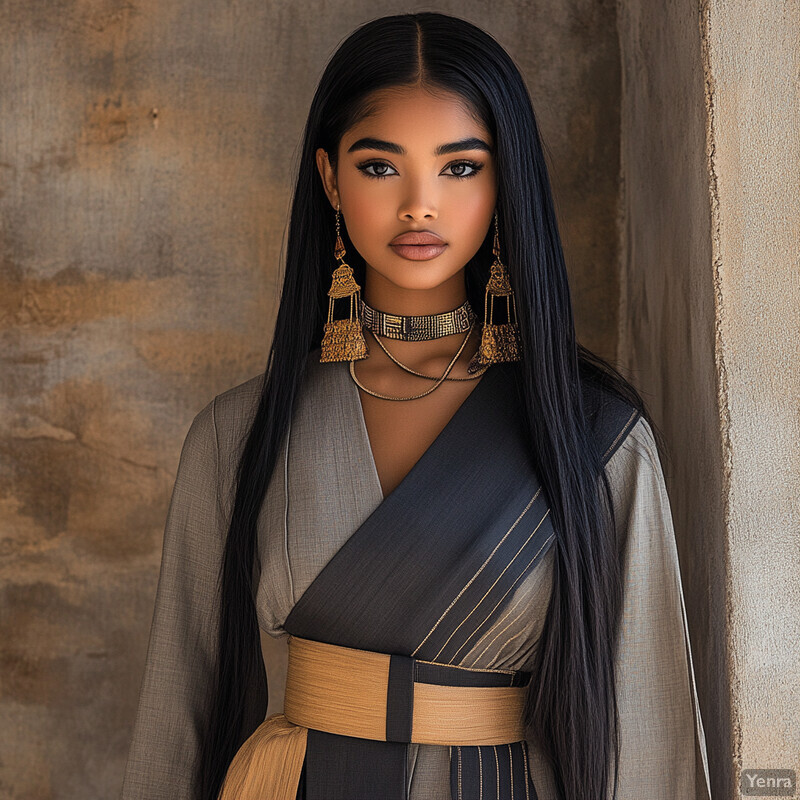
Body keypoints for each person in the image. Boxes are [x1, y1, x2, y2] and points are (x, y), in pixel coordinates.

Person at [120, 11, 712, 800]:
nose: (420, 205)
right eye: (380, 167)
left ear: (504, 181)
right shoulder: (236, 436)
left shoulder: (596, 440)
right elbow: (176, 723)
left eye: (460, 168)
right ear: (330, 178)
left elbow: (650, 738)